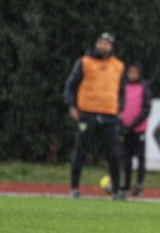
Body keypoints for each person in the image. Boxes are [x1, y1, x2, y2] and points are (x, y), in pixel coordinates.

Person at [64, 32, 126, 200]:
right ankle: (74, 189)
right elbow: (70, 85)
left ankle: (116, 191)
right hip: (87, 112)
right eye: (100, 42)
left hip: (110, 114)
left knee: (114, 153)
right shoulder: (84, 62)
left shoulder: (118, 66)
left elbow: (121, 91)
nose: (102, 46)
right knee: (80, 151)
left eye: (106, 43)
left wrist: (120, 109)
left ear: (112, 47)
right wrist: (71, 105)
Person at [121, 63, 152, 196]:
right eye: (130, 72)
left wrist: (134, 123)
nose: (132, 75)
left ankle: (139, 185)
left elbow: (146, 108)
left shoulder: (144, 88)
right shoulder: (124, 87)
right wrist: (123, 124)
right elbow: (119, 105)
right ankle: (126, 184)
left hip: (139, 129)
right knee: (126, 158)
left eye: (135, 72)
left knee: (140, 158)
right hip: (125, 129)